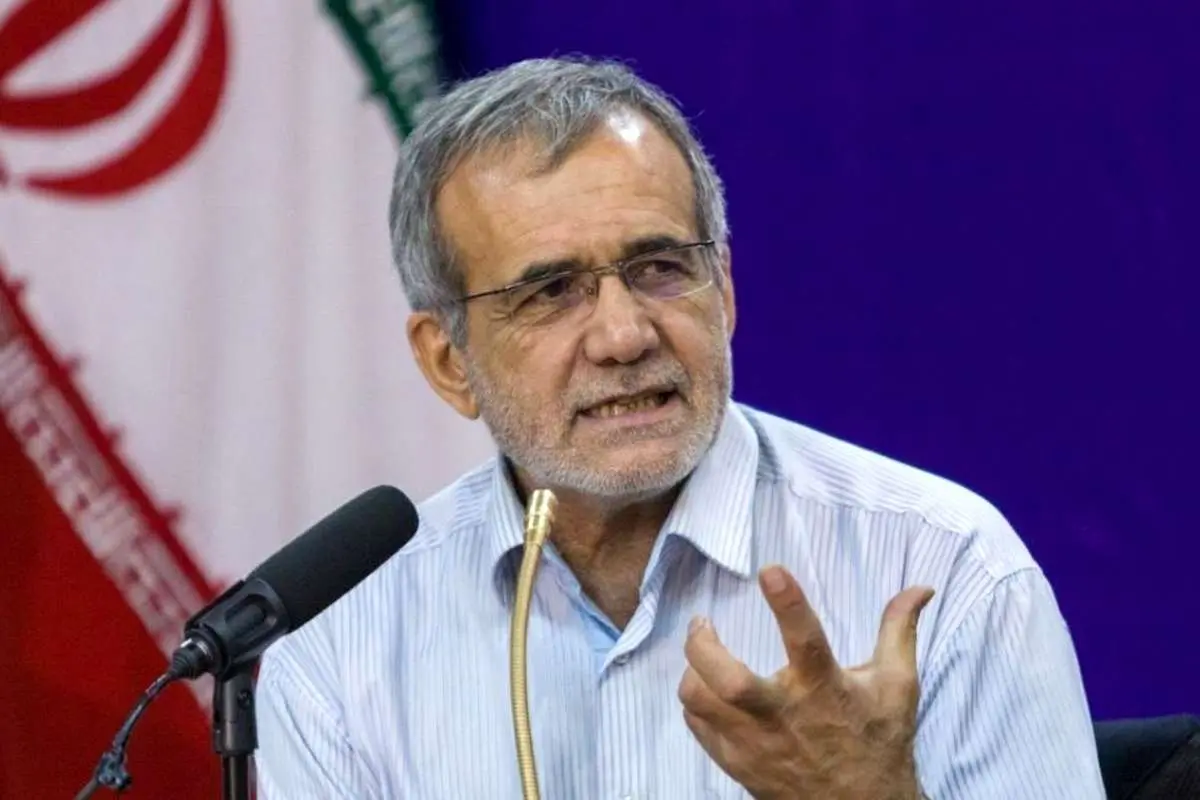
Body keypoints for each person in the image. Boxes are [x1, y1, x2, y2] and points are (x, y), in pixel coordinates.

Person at [255, 57, 1105, 799]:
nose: (624, 335)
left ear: (723, 292)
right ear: (448, 361)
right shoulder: (343, 646)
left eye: (660, 268)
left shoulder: (941, 565)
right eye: (550, 291)